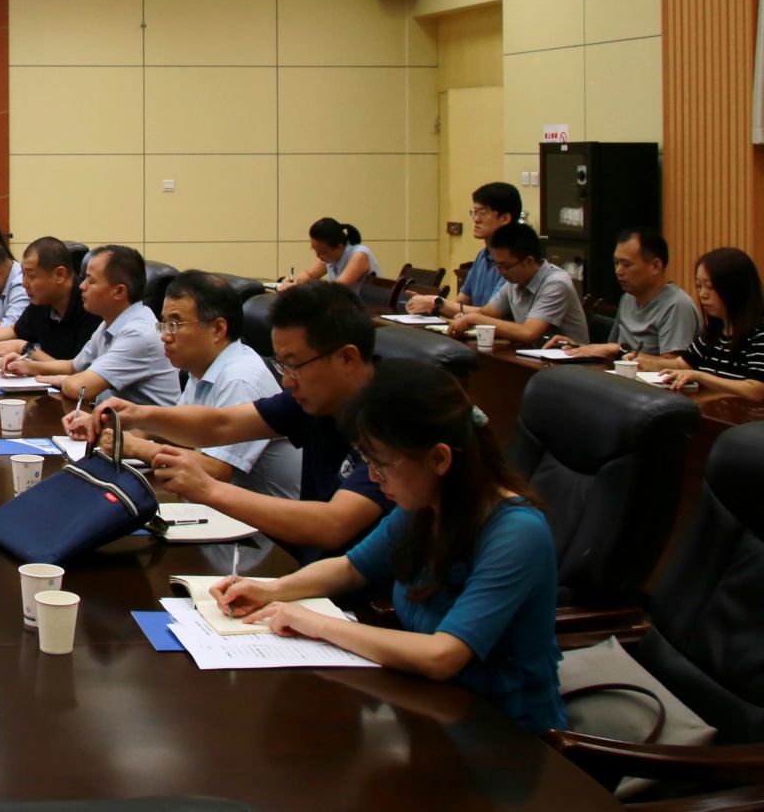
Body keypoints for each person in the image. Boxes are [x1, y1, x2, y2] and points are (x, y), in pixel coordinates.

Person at [212, 361, 562, 734]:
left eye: (382, 464)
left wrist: (315, 623)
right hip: (426, 708)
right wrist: (272, 590)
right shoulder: (426, 505)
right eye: (368, 461)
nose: (374, 477)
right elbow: (351, 568)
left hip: (500, 732)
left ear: (439, 458)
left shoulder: (516, 532)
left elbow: (442, 655)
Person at [70, 281, 392, 561]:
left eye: (295, 365)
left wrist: (207, 489)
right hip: (306, 563)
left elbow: (334, 525)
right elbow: (221, 425)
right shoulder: (314, 397)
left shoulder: (391, 418)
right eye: (283, 365)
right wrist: (140, 414)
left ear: (347, 358)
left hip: (337, 582)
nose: (286, 381)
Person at [114, 271, 302, 500]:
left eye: (175, 324)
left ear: (217, 329)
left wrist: (137, 447)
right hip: (221, 509)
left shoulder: (241, 379)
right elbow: (181, 432)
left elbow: (216, 470)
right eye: (163, 324)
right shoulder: (200, 368)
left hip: (262, 520)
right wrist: (121, 431)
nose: (165, 336)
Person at [5, 244, 177, 408]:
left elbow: (80, 388)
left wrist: (60, 380)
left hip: (144, 429)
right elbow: (74, 367)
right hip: (115, 423)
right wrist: (30, 366)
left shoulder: (138, 335)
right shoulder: (110, 323)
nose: (81, 286)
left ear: (119, 291)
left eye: (91, 281)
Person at [546, 228, 698, 360]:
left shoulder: (677, 306)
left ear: (655, 266)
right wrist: (578, 348)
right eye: (616, 263)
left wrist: (617, 350)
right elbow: (611, 350)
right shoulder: (628, 298)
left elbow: (673, 366)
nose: (618, 271)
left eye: (626, 264)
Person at [643, 246, 764, 401]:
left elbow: (757, 389)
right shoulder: (713, 333)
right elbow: (682, 365)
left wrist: (700, 376)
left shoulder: (759, 334)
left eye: (710, 287)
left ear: (737, 288)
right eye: (699, 286)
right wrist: (644, 363)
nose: (702, 294)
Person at [444, 223, 590, 345]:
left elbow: (528, 332)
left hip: (570, 361)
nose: (501, 271)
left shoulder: (556, 283)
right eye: (497, 265)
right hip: (531, 356)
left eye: (505, 266)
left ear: (528, 261)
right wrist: (449, 311)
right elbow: (486, 313)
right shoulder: (514, 281)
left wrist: (473, 319)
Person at [0, 236, 98, 363]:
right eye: (23, 274)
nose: (24, 283)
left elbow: (74, 370)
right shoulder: (42, 300)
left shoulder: (90, 307)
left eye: (31, 276)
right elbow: (17, 330)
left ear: (59, 275)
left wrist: (25, 348)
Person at [407, 183, 520, 317]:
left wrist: (436, 302)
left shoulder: (515, 261)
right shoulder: (482, 256)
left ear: (505, 219)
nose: (476, 219)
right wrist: (432, 306)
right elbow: (461, 303)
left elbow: (491, 313)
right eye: (474, 213)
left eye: (482, 213)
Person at [285, 218, 378, 289]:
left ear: (339, 247)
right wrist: (294, 283)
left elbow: (337, 290)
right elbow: (309, 275)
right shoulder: (329, 256)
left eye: (322, 252)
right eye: (314, 250)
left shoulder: (359, 255)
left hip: (368, 307)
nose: (317, 256)